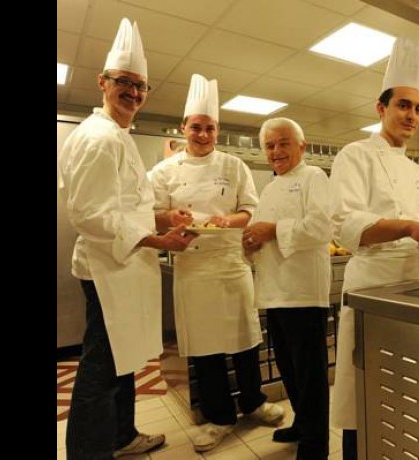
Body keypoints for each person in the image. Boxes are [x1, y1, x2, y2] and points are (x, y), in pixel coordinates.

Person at [57, 18, 198, 459]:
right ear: (103, 82)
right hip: (106, 270)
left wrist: (161, 216)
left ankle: (121, 437)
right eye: (125, 83)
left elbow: (121, 208)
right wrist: (160, 241)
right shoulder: (99, 138)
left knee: (119, 363)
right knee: (99, 368)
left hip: (120, 267)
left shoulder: (118, 135)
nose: (134, 93)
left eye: (141, 86)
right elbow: (90, 215)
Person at [328, 37, 419, 460]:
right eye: (403, 105)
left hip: (413, 288)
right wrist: (408, 227)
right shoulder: (355, 155)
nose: (412, 116)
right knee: (362, 396)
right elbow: (345, 225)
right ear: (380, 108)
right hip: (373, 291)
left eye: (418, 108)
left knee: (403, 394)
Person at [149, 74, 284, 453]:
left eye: (209, 128)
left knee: (244, 339)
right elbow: (151, 214)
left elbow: (250, 209)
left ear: (217, 130)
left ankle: (254, 402)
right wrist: (170, 218)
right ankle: (219, 416)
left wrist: (230, 221)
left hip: (231, 261)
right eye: (196, 127)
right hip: (192, 267)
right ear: (184, 127)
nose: (203, 134)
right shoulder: (164, 172)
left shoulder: (234, 166)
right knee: (206, 347)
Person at [243, 117, 331, 459]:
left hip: (304, 292)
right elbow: (262, 233)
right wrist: (251, 244)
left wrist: (272, 230)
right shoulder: (269, 188)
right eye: (270, 146)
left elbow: (322, 227)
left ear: (302, 147)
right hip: (274, 291)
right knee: (289, 368)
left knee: (310, 375)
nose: (276, 151)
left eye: (283, 144)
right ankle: (301, 424)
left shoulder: (314, 177)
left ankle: (315, 446)